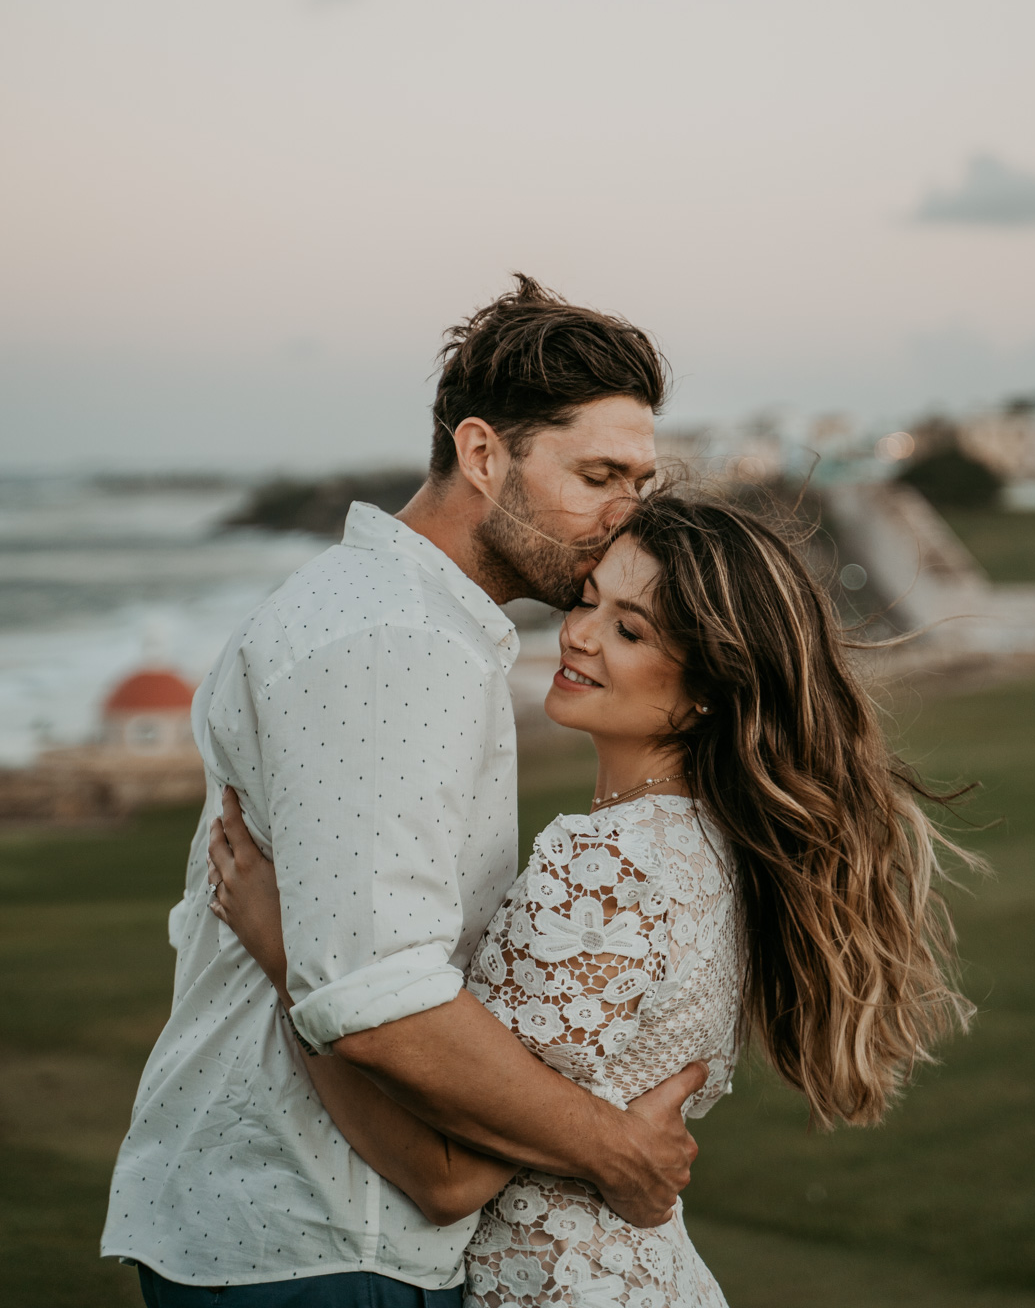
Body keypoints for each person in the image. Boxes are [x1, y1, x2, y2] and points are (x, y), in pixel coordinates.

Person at [207, 492, 979, 1308]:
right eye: (587, 601)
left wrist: (292, 957)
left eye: (630, 629)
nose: (578, 633)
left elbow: (446, 1178)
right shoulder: (714, 846)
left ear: (708, 690)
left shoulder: (606, 866)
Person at [104, 277, 708, 1307]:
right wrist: (615, 1151)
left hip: (325, 1228)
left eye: (639, 482)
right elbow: (376, 998)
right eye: (600, 474)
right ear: (483, 454)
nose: (624, 518)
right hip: (320, 1235)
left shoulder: (419, 625)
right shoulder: (393, 639)